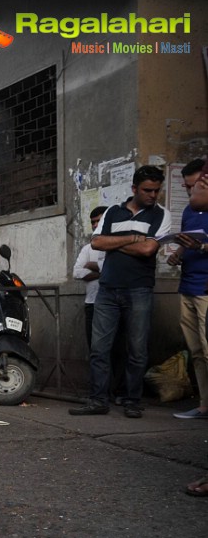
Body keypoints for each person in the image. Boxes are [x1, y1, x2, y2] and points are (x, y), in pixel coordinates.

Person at [69, 165, 171, 419]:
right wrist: (135, 238)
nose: (153, 195)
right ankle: (98, 400)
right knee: (99, 348)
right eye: (147, 190)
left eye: (157, 190)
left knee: (137, 349)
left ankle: (132, 401)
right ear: (134, 189)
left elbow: (149, 250)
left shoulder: (161, 215)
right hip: (108, 290)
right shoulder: (113, 212)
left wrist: (116, 243)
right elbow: (96, 242)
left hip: (139, 289)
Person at [167, 159, 208, 420]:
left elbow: (200, 243)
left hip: (206, 289)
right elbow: (188, 238)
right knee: (196, 351)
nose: (188, 190)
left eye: (192, 186)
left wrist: (201, 247)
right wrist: (178, 252)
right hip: (188, 286)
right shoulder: (189, 211)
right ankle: (205, 405)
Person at [73, 206, 109, 348]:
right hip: (92, 304)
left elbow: (115, 269)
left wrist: (92, 266)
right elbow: (77, 272)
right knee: (93, 345)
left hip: (112, 305)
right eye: (92, 222)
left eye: (98, 221)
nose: (95, 225)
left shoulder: (118, 246)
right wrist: (102, 273)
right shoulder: (87, 249)